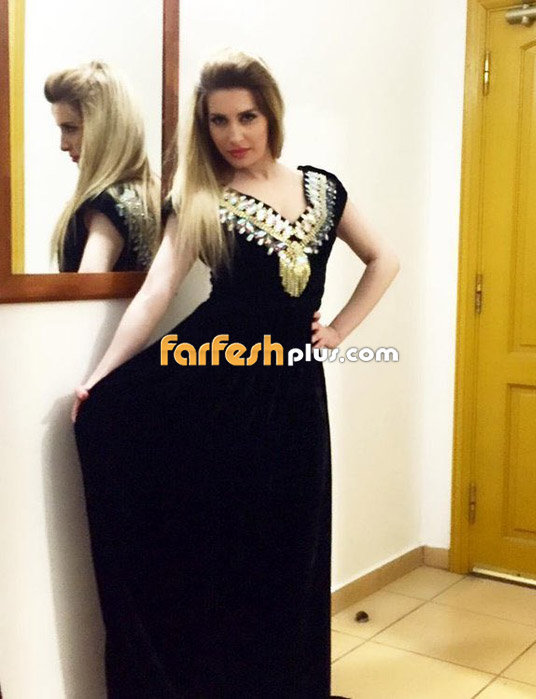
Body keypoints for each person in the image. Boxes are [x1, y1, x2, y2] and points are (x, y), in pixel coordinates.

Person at [72, 48, 400, 698]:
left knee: (293, 544)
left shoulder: (323, 188)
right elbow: (159, 287)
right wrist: (102, 375)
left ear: (270, 113)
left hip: (294, 392)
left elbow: (384, 258)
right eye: (218, 121)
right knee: (230, 549)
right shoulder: (202, 196)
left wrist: (337, 330)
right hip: (215, 393)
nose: (234, 134)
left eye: (246, 116)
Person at [45, 60, 161, 273]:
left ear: (103, 127)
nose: (63, 145)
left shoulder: (106, 203)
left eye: (70, 128)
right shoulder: (149, 192)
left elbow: (88, 286)